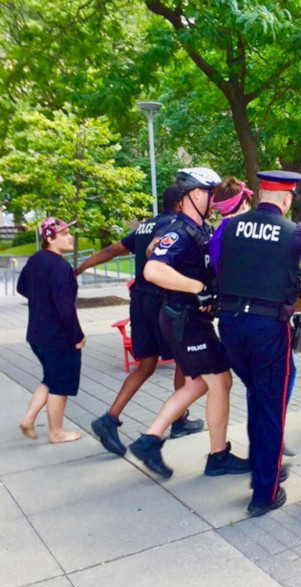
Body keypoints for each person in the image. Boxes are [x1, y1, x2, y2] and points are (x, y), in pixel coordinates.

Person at [129, 167, 249, 479]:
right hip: (184, 319)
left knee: (199, 382)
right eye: (210, 194)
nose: (214, 200)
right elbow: (153, 271)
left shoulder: (199, 230)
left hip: (189, 319)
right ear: (196, 194)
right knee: (220, 381)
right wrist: (198, 288)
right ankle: (218, 454)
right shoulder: (179, 232)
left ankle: (150, 439)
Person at [75, 185, 204, 456]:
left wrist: (81, 268)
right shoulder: (175, 225)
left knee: (146, 365)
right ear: (182, 203)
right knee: (184, 360)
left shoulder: (145, 226)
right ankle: (178, 421)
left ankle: (109, 418)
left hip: (139, 301)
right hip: (162, 301)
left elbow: (112, 250)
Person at [216, 170, 301, 517]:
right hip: (267, 327)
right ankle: (265, 492)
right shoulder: (297, 234)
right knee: (270, 405)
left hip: (229, 326)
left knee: (258, 396)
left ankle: (264, 465)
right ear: (287, 199)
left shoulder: (228, 228)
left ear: (258, 193)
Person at [17, 217, 86, 443]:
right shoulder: (59, 266)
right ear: (49, 238)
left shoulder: (37, 259)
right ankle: (57, 432)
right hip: (58, 337)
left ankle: (28, 419)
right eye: (64, 234)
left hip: (37, 334)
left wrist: (42, 299)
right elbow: (65, 307)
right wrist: (77, 336)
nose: (69, 237)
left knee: (50, 377)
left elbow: (21, 287)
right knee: (61, 383)